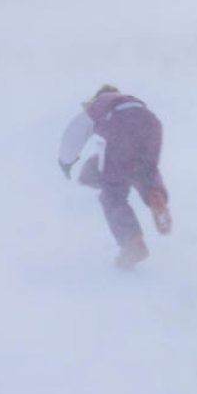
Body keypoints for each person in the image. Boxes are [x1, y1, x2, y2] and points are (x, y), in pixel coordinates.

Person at [58, 85, 172, 269]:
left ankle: (131, 242)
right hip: (152, 125)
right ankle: (155, 194)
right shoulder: (132, 102)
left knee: (113, 193)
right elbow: (107, 161)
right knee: (146, 170)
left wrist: (65, 161)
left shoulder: (101, 103)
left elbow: (75, 131)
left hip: (123, 126)